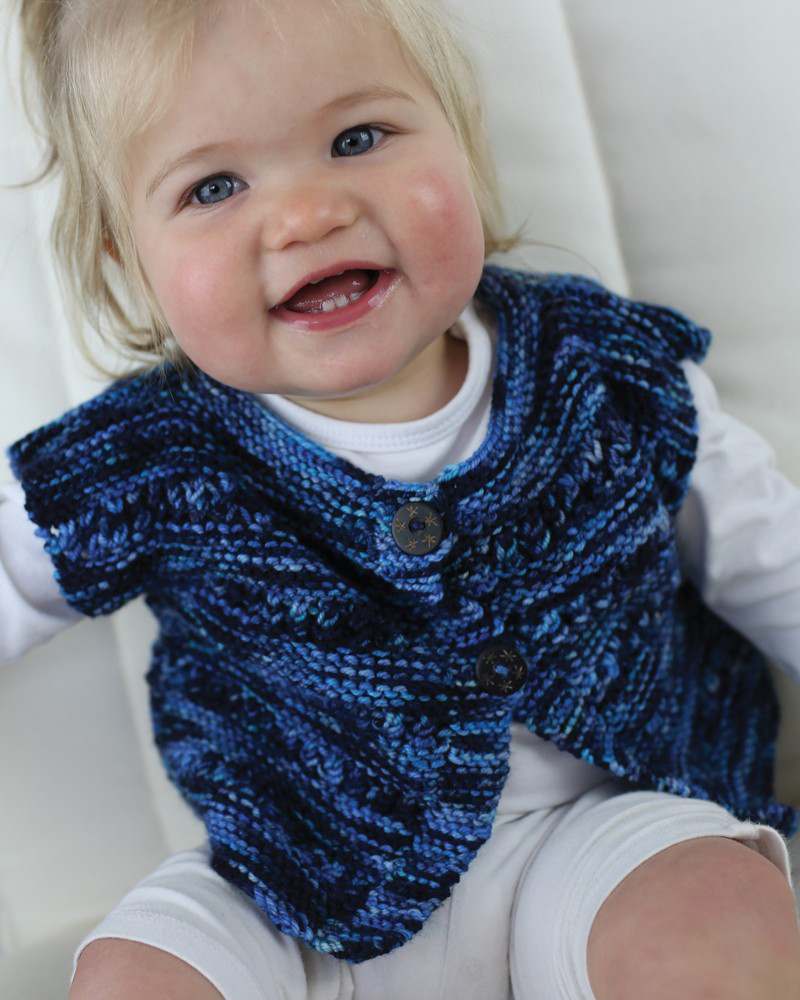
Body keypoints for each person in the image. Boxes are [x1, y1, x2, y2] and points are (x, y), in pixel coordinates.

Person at [2, 0, 800, 997]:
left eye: (357, 138)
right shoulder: (144, 459)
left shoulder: (602, 372)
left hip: (611, 831)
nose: (307, 216)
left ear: (463, 139)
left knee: (712, 920)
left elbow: (770, 558)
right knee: (136, 973)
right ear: (132, 261)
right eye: (213, 187)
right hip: (290, 882)